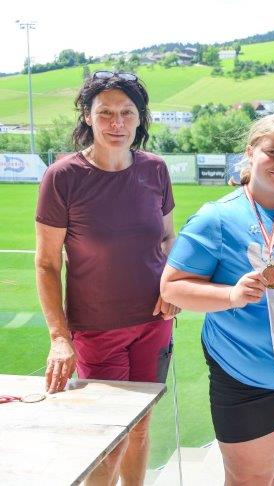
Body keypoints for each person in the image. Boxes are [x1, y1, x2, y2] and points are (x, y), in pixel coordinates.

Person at [161, 113, 274, 485]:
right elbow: (172, 287)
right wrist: (231, 295)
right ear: (250, 152)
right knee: (250, 478)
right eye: (272, 152)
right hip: (245, 373)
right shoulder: (216, 218)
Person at [35, 71, 179, 486]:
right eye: (105, 113)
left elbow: (168, 239)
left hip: (154, 324)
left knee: (141, 428)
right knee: (107, 442)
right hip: (97, 331)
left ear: (140, 117)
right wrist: (59, 337)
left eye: (127, 113)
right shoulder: (63, 177)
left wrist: (172, 286)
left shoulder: (155, 169)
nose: (117, 123)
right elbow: (47, 264)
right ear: (88, 116)